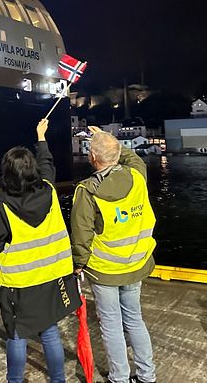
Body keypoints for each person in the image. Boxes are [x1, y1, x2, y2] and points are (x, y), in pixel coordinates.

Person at [0, 119, 81, 383]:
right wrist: (41, 137)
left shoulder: (0, 205)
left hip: (19, 284)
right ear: (34, 171)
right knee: (49, 332)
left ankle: (15, 380)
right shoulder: (48, 190)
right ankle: (58, 380)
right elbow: (48, 165)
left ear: (7, 174)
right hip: (51, 277)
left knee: (17, 335)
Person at [71, 127, 157, 383]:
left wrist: (78, 265)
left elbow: (81, 234)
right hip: (136, 263)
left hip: (104, 270)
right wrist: (114, 141)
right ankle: (146, 375)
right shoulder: (137, 177)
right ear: (118, 155)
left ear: (93, 158)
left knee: (111, 325)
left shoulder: (87, 191)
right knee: (134, 319)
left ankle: (119, 377)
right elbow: (134, 159)